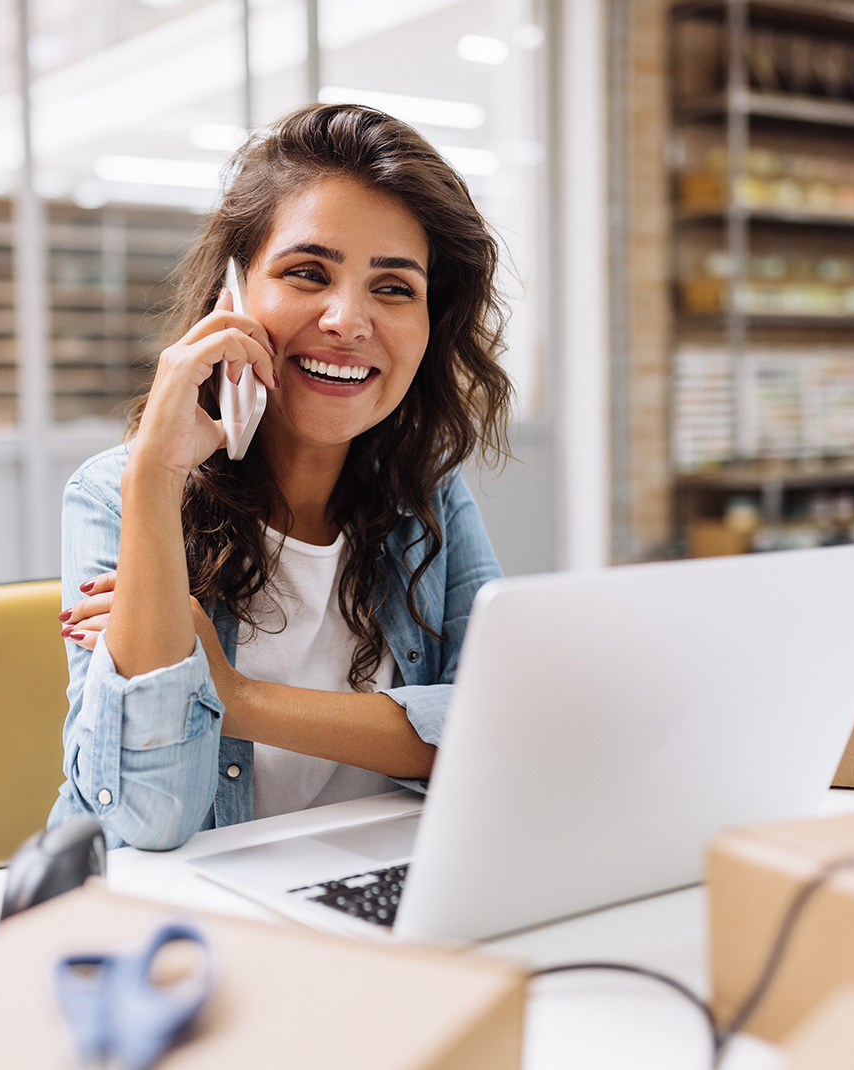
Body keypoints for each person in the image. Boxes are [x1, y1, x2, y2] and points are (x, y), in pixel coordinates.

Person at [49, 102, 513, 850]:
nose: (347, 320)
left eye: (393, 288)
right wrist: (154, 477)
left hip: (366, 887)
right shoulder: (117, 492)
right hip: (183, 919)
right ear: (229, 299)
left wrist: (234, 697)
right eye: (307, 273)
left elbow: (495, 733)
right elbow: (146, 818)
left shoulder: (424, 496)